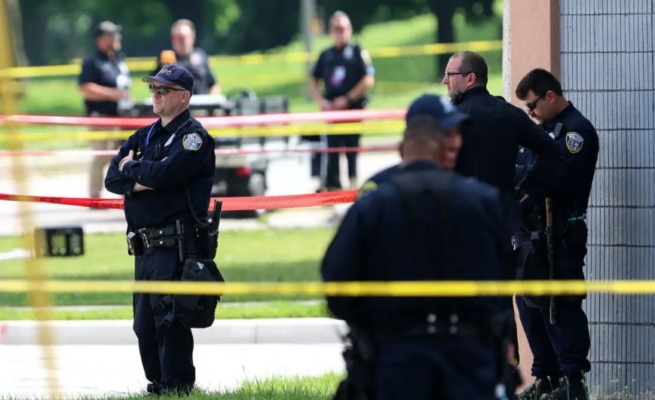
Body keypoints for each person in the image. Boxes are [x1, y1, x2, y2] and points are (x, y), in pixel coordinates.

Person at [321, 93, 520, 400]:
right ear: (444, 143)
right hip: (468, 366)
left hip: (397, 362)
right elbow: (504, 277)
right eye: (453, 135)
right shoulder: (482, 201)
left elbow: (336, 287)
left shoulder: (373, 205)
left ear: (403, 148)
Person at [104, 65, 217, 396]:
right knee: (144, 324)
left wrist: (135, 172)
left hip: (175, 244)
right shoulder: (146, 135)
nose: (155, 94)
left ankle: (177, 386)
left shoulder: (193, 138)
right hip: (144, 246)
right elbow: (113, 178)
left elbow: (167, 176)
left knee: (170, 319)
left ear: (183, 97)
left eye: (163, 89)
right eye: (153, 88)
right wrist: (143, 177)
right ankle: (158, 384)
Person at [512, 68, 598, 400]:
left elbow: (555, 181)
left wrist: (526, 179)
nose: (530, 113)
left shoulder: (575, 132)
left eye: (532, 105)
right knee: (530, 305)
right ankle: (546, 376)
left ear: (550, 96)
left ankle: (573, 381)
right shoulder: (541, 132)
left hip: (560, 231)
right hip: (531, 233)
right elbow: (521, 172)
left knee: (560, 305)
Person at [309, 10, 375, 192]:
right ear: (330, 30)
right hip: (332, 111)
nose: (340, 32)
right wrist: (321, 101)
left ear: (350, 29)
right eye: (336, 28)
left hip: (353, 110)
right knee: (332, 151)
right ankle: (334, 189)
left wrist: (347, 99)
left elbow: (369, 79)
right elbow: (313, 80)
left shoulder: (357, 52)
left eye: (343, 28)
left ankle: (353, 189)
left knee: (352, 151)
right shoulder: (326, 55)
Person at [78, 20, 132, 199]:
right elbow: (85, 88)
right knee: (101, 156)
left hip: (120, 117)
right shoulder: (93, 62)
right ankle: (95, 197)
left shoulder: (118, 59)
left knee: (122, 157)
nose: (117, 39)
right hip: (100, 118)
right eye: (112, 35)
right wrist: (111, 94)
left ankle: (124, 195)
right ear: (101, 38)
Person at [152, 19, 220, 95]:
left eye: (183, 38)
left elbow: (213, 85)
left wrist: (213, 102)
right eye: (176, 38)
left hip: (200, 104)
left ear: (192, 39)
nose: (179, 41)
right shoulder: (166, 58)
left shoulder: (200, 56)